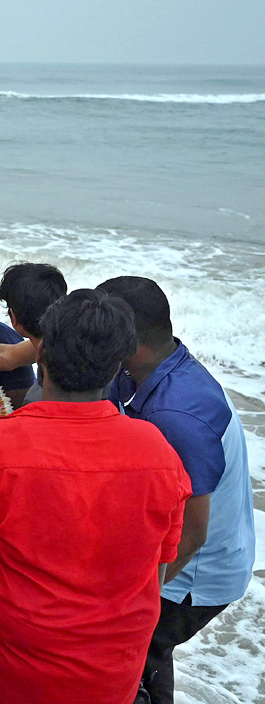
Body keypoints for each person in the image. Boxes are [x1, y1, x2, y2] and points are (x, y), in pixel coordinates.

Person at [0, 289, 192, 704]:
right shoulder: (159, 453)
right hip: (110, 678)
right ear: (119, 363)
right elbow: (157, 567)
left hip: (4, 677)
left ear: (41, 352)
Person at [98, 276, 254, 704]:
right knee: (148, 657)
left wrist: (133, 596)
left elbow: (192, 534)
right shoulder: (152, 367)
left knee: (123, 659)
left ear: (126, 340)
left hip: (194, 576)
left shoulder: (177, 413)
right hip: (195, 552)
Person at [0, 262, 67, 405]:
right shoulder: (75, 334)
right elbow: (9, 357)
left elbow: (7, 357)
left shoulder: (35, 399)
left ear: (14, 317)